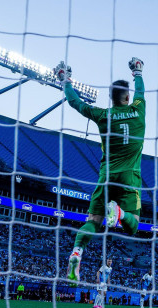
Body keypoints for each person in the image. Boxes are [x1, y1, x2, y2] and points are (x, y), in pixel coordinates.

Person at [55, 58, 146, 285]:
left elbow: (76, 103)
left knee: (93, 220)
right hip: (129, 178)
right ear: (127, 97)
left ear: (111, 99)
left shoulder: (103, 115)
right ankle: (120, 213)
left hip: (106, 177)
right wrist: (138, 71)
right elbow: (141, 92)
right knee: (133, 223)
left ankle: (77, 253)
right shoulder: (138, 110)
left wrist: (66, 81)